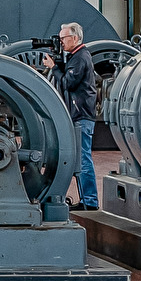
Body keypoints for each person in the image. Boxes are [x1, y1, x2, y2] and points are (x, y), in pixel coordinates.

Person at [40, 21, 99, 211]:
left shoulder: (81, 57)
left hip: (81, 115)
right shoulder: (75, 56)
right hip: (77, 115)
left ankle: (90, 202)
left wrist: (53, 67)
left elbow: (68, 83)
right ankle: (86, 200)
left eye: (63, 38)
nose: (61, 41)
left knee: (83, 159)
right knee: (78, 159)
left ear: (75, 38)